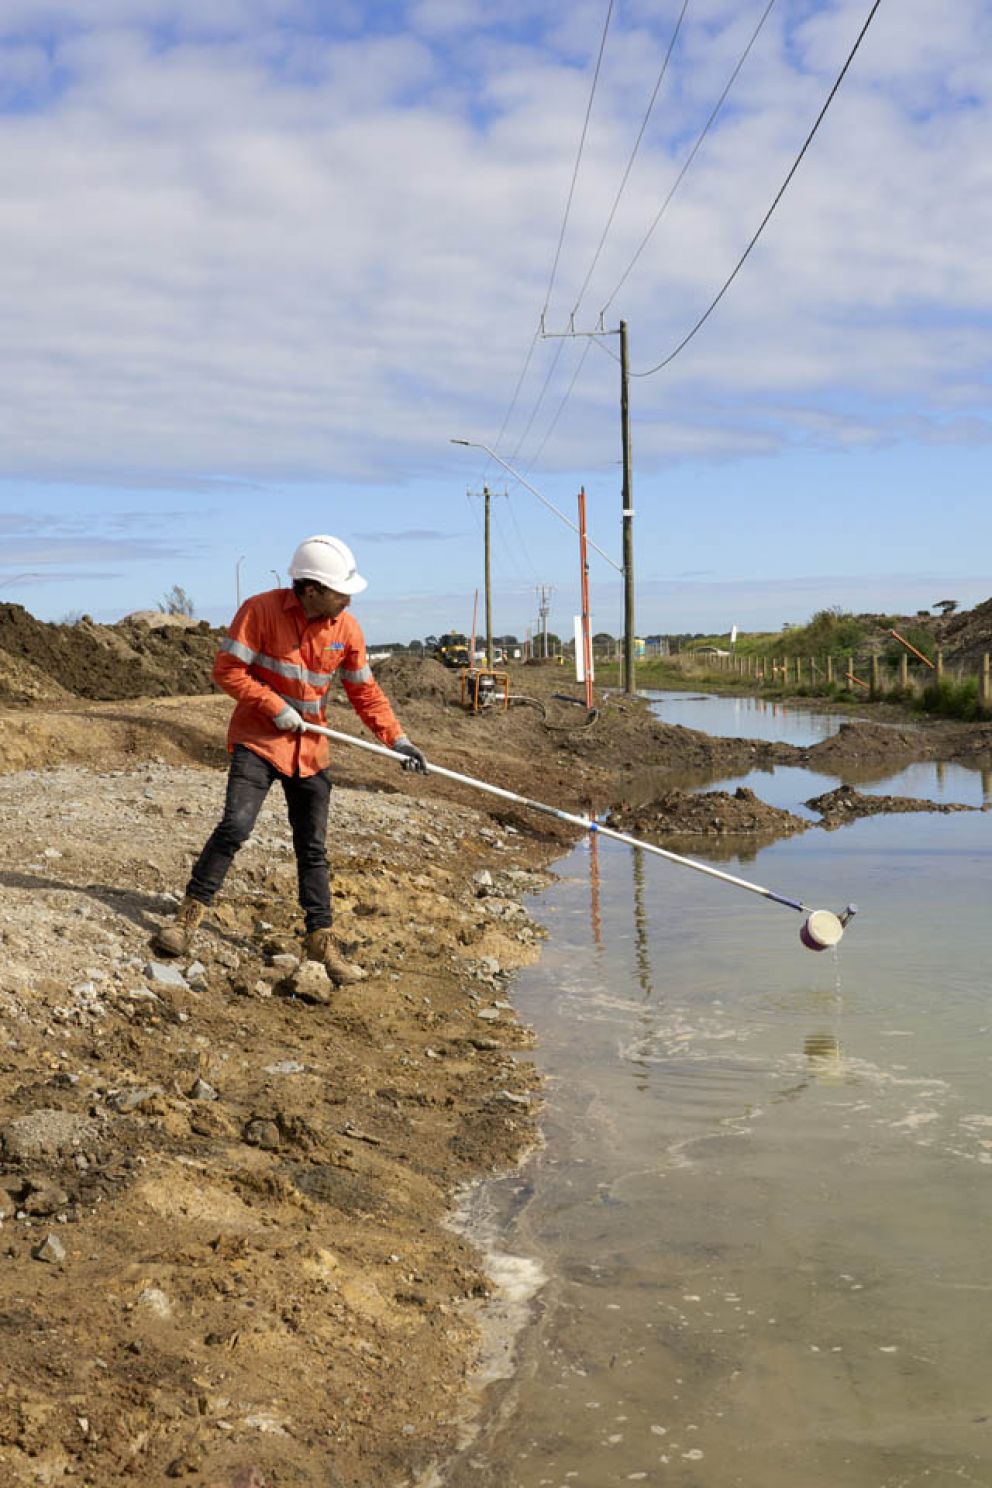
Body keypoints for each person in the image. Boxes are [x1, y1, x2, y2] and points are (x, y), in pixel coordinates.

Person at [152, 534, 427, 984]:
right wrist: (274, 707)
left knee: (312, 848)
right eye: (342, 592)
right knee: (235, 826)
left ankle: (321, 939)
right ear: (311, 590)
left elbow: (365, 692)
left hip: (311, 752)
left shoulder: (346, 630)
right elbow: (227, 670)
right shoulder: (259, 611)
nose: (348, 601)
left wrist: (398, 740)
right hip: (258, 741)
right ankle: (188, 918)